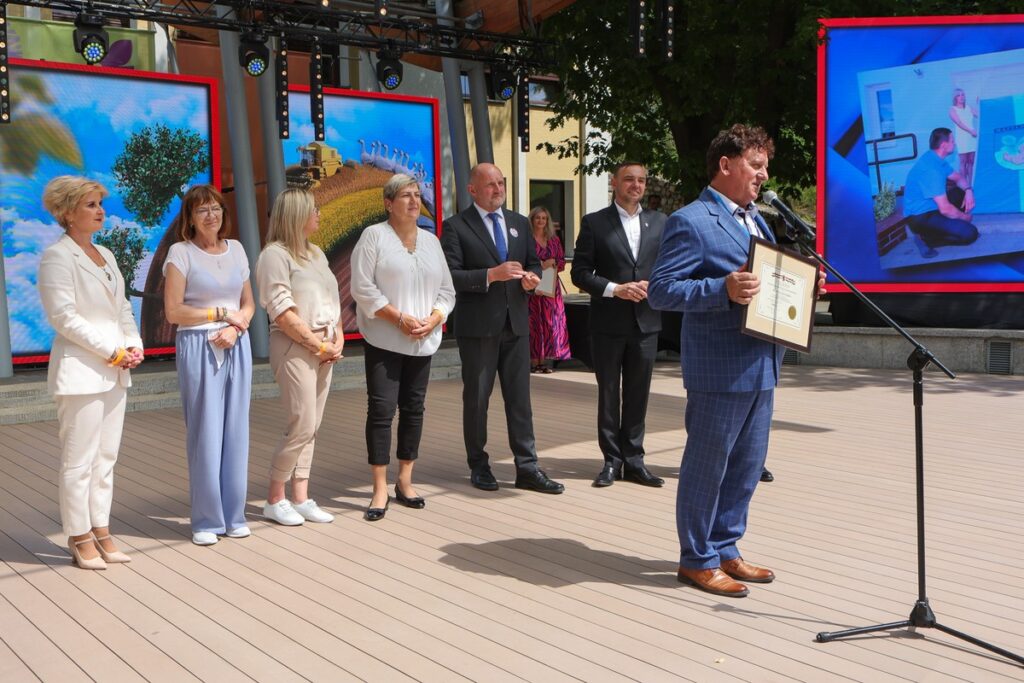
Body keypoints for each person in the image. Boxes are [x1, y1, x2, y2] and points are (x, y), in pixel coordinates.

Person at [648, 124, 825, 598]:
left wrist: (805, 289)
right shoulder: (691, 219)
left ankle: (726, 546)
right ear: (725, 165)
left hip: (762, 363)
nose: (764, 174)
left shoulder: (758, 219)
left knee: (747, 464)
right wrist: (720, 289)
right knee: (708, 464)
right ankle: (696, 559)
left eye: (765, 165)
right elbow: (662, 290)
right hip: (719, 368)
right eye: (756, 164)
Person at [38, 176, 144, 569]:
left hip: (115, 370)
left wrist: (133, 346)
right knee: (78, 461)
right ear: (67, 213)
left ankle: (101, 529)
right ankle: (78, 534)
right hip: (82, 371)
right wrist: (112, 351)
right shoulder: (57, 257)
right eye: (90, 205)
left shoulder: (107, 254)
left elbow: (122, 309)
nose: (101, 210)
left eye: (100, 203)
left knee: (106, 458)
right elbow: (63, 317)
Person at [440, 163, 565, 494]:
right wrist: (489, 275)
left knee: (520, 399)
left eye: (501, 183)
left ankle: (527, 466)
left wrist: (532, 279)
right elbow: (449, 276)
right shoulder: (455, 227)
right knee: (478, 399)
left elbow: (533, 263)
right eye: (490, 184)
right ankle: (478, 465)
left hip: (517, 324)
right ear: (472, 190)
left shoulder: (518, 223)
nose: (498, 189)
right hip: (479, 327)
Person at [351, 174, 456, 520]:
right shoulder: (374, 237)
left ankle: (405, 481)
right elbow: (362, 289)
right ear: (387, 203)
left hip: (423, 339)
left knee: (414, 409)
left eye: (416, 195)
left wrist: (435, 318)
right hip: (384, 339)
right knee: (381, 411)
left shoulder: (431, 242)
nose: (413, 201)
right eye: (405, 196)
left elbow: (447, 291)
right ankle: (379, 488)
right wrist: (398, 318)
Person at [163, 185, 255, 546]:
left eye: (216, 208)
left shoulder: (238, 249)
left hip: (236, 343)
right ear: (190, 217)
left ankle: (235, 515)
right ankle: (206, 519)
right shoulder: (180, 253)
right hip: (198, 345)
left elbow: (248, 303)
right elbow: (174, 311)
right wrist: (219, 314)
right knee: (206, 432)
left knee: (236, 430)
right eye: (202, 210)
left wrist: (235, 326)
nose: (211, 215)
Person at [571, 161, 666, 488]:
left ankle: (635, 461)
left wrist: (657, 286)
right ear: (614, 183)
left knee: (639, 395)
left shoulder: (660, 222)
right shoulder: (595, 223)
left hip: (646, 323)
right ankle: (611, 461)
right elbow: (579, 273)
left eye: (641, 180)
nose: (636, 185)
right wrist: (615, 289)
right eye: (629, 180)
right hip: (608, 323)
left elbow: (670, 268)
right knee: (609, 394)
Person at [256, 188, 343, 527]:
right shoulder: (274, 256)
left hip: (324, 344)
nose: (319, 213)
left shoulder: (317, 254)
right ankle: (274, 497)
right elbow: (281, 310)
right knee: (301, 423)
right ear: (295, 215)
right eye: (313, 209)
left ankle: (301, 496)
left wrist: (335, 338)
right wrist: (316, 344)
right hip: (295, 345)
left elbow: (331, 301)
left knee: (314, 425)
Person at [902, 127, 979, 259]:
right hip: (920, 217)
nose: (954, 143)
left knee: (960, 192)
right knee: (971, 234)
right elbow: (945, 209)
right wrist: (965, 217)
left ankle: (944, 227)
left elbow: (959, 178)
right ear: (944, 145)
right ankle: (926, 238)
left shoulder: (935, 158)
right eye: (952, 141)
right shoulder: (932, 170)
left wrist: (968, 190)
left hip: (933, 206)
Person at [527, 206, 571, 374]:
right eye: (538, 218)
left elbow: (562, 262)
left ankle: (544, 362)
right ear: (532, 219)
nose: (541, 221)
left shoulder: (553, 240)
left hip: (551, 287)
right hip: (532, 287)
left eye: (544, 218)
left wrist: (553, 263)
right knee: (534, 323)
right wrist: (541, 265)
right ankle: (533, 361)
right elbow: (523, 260)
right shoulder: (527, 239)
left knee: (550, 322)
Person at [948, 88, 978, 182]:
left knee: (971, 162)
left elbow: (980, 115)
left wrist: (979, 104)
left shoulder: (969, 107)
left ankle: (971, 183)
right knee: (963, 162)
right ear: (955, 98)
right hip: (962, 138)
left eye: (962, 95)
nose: (961, 97)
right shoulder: (952, 109)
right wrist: (970, 131)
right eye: (958, 95)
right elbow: (959, 122)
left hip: (972, 138)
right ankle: (964, 186)